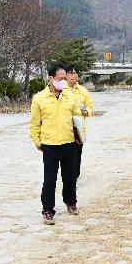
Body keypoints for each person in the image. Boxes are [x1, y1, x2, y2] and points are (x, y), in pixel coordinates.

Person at [30, 63, 81, 225]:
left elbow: (77, 118)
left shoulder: (70, 96)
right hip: (50, 145)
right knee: (50, 179)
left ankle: (71, 203)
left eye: (65, 78)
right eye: (60, 78)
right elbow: (34, 124)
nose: (64, 82)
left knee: (70, 177)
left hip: (69, 143)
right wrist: (37, 141)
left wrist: (79, 137)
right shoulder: (39, 98)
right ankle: (48, 210)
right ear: (50, 79)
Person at [65, 64, 94, 180]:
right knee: (66, 154)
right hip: (64, 126)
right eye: (70, 73)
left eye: (75, 73)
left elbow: (90, 107)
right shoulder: (61, 90)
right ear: (66, 75)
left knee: (77, 154)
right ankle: (68, 177)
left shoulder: (83, 91)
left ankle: (74, 177)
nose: (73, 75)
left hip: (78, 127)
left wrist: (87, 111)